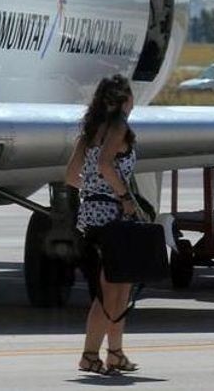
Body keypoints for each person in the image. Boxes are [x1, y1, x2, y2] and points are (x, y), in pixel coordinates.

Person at [64, 74, 140, 376]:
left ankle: (116, 353)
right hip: (111, 215)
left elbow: (71, 176)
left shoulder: (90, 132)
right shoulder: (118, 128)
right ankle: (90, 354)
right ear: (124, 101)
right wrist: (122, 196)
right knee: (109, 291)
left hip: (91, 214)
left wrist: (93, 191)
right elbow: (105, 165)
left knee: (119, 288)